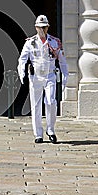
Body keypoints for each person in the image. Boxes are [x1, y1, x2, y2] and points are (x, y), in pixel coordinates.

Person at [17, 14, 68, 144]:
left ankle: (50, 130)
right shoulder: (30, 42)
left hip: (50, 75)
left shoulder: (54, 42)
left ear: (48, 27)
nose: (42, 30)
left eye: (44, 27)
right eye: (40, 27)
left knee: (51, 101)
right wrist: (21, 72)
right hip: (36, 77)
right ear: (36, 27)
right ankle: (38, 134)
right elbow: (22, 59)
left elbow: (62, 61)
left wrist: (65, 75)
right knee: (36, 105)